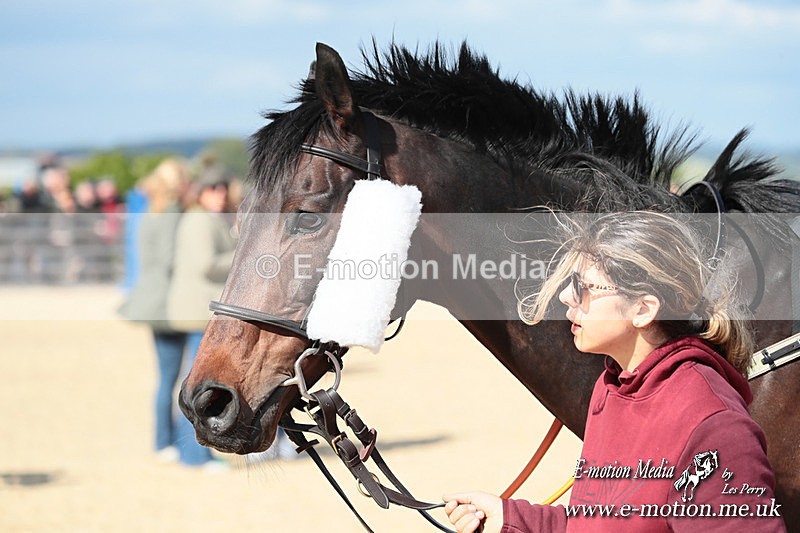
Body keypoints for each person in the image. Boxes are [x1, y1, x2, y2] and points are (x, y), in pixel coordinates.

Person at [443, 211, 784, 532]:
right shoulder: (611, 387)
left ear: (643, 309)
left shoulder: (714, 427)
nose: (565, 296)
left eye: (583, 286)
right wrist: (510, 518)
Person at [119, 158, 221, 469]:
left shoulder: (149, 211)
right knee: (191, 379)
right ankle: (189, 448)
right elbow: (172, 259)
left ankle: (163, 442)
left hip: (152, 301)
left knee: (166, 378)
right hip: (171, 304)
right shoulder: (175, 213)